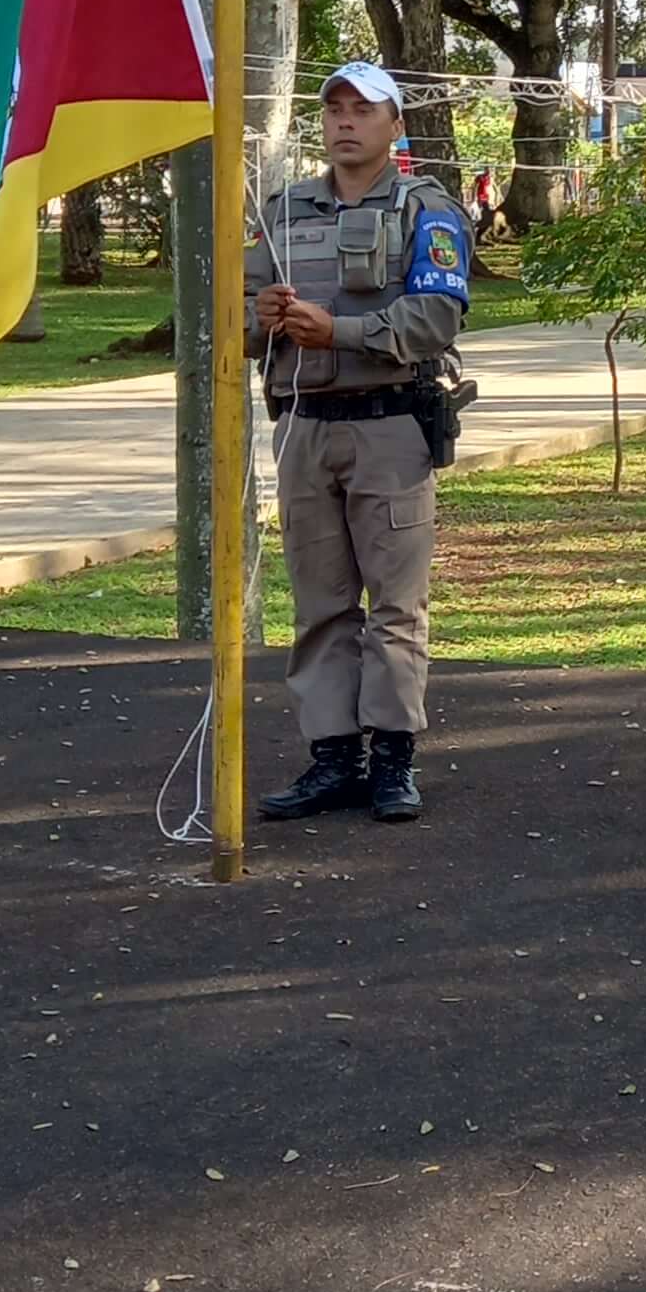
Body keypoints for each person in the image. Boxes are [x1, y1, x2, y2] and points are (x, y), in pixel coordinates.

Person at [248, 60, 470, 824]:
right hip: (305, 432)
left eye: (363, 109)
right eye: (335, 108)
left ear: (393, 125)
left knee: (395, 607)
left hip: (388, 429)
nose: (345, 121)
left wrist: (335, 330)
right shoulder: (282, 211)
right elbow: (240, 320)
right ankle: (332, 757)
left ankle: (393, 760)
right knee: (321, 604)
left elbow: (436, 320)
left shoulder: (426, 211)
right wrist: (266, 314)